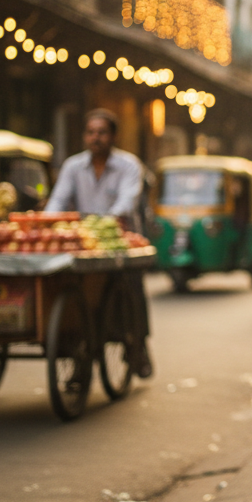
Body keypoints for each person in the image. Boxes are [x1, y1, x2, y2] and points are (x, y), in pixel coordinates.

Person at [45, 109, 154, 378]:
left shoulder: (129, 165)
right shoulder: (73, 166)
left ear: (113, 136)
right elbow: (58, 200)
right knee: (75, 291)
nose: (96, 138)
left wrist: (104, 224)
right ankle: (81, 357)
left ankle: (137, 345)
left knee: (132, 286)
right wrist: (46, 224)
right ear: (84, 136)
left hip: (119, 240)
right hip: (84, 242)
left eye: (102, 133)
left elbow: (127, 201)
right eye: (91, 133)